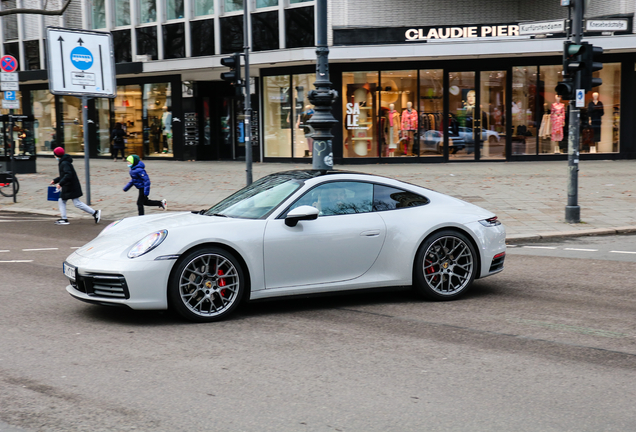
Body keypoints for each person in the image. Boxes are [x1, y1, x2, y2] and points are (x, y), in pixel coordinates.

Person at [50, 147, 101, 225]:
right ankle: (94, 213)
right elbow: (64, 175)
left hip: (70, 186)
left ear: (56, 155)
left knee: (65, 201)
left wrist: (60, 184)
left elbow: (68, 175)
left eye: (55, 155)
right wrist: (55, 180)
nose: (54, 156)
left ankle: (64, 219)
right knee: (73, 202)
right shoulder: (65, 161)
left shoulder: (64, 163)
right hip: (71, 185)